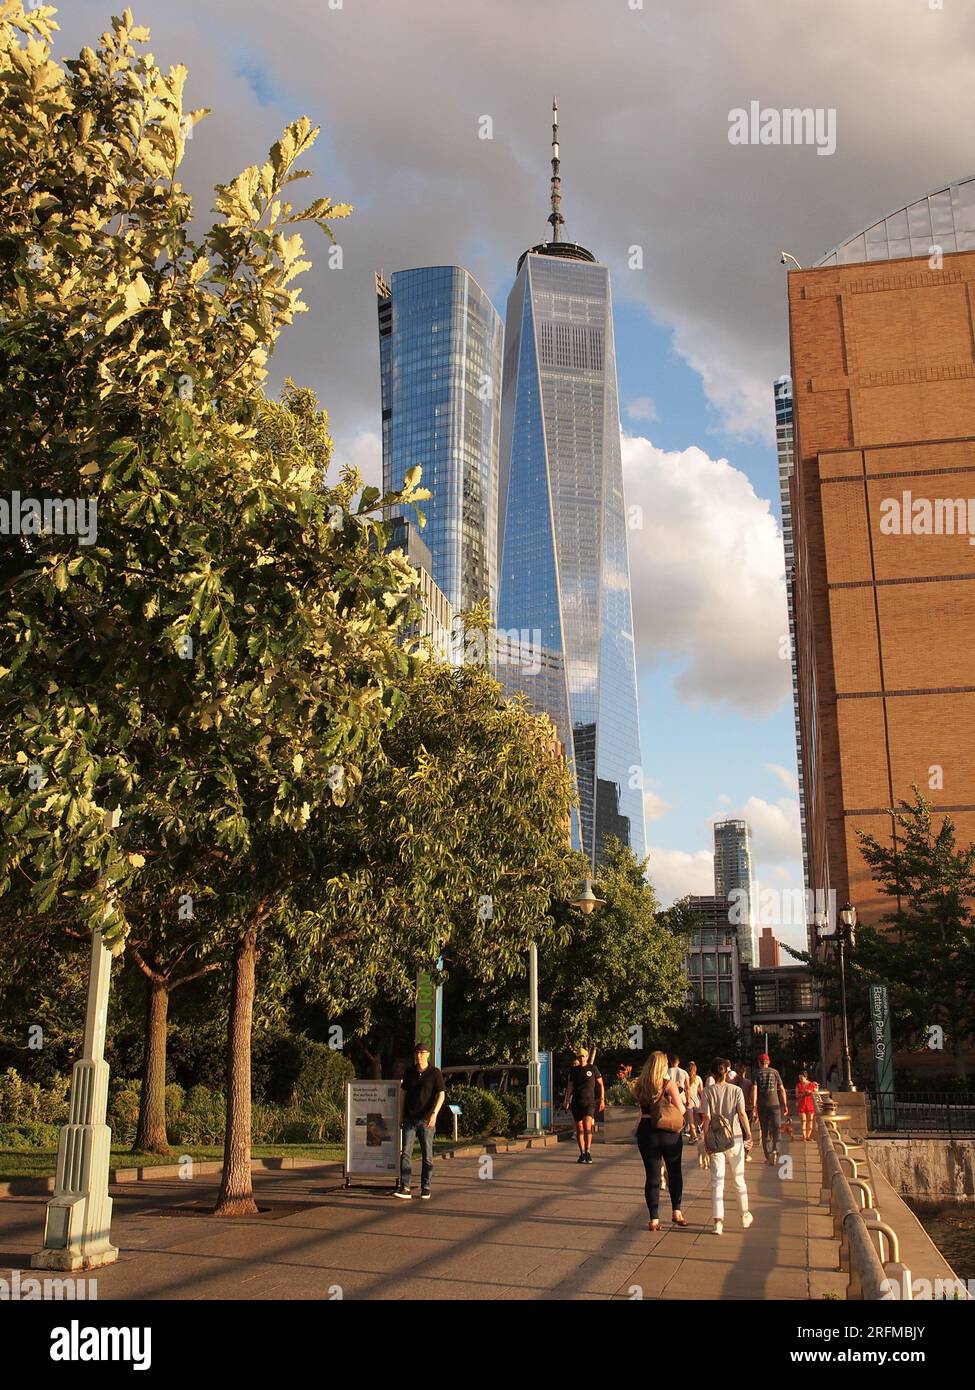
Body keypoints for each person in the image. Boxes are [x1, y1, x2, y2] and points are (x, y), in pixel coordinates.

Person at [634, 1050, 687, 1231]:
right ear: (663, 1066)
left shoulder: (640, 1084)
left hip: (646, 1131)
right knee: (674, 1172)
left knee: (652, 1175)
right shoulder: (668, 1084)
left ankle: (654, 1219)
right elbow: (682, 1109)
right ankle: (676, 1211)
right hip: (668, 1132)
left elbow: (641, 1108)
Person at [701, 1057, 754, 1235]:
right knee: (739, 1179)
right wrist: (749, 1134)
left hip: (716, 1140)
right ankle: (745, 1214)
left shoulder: (707, 1091)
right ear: (726, 1071)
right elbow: (741, 1114)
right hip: (735, 1138)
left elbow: (706, 1118)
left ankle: (718, 1222)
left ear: (712, 1073)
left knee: (717, 1181)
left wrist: (706, 1139)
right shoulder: (736, 1090)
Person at [394, 1042, 445, 1200]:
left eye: (422, 1053)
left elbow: (441, 1094)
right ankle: (406, 1187)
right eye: (417, 1053)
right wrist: (400, 1114)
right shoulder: (409, 1073)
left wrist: (434, 1113)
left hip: (426, 1120)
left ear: (428, 1054)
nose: (419, 1056)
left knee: (427, 1155)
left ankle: (426, 1186)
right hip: (410, 1118)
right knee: (406, 1154)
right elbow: (403, 1094)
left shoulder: (435, 1073)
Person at [563, 1046, 604, 1164]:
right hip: (577, 1102)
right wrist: (566, 1100)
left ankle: (588, 1151)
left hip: (589, 1102)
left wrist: (602, 1099)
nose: (581, 1058)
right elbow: (570, 1086)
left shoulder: (593, 1068)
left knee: (587, 1127)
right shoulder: (573, 1071)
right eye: (579, 1056)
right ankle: (582, 1153)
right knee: (579, 1128)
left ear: (586, 1056)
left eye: (583, 1056)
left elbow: (601, 1084)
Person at [751, 1052, 789, 1164]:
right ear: (769, 1062)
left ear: (759, 1063)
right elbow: (782, 1089)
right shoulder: (775, 1072)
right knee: (777, 1129)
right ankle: (775, 1151)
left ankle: (768, 1156)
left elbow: (754, 1090)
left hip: (762, 1106)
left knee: (765, 1130)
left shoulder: (756, 1073)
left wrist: (754, 1107)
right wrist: (785, 1105)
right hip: (775, 1105)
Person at [796, 1070, 818, 1141]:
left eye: (802, 1078)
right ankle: (804, 1136)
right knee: (803, 1120)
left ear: (805, 1077)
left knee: (810, 1120)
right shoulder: (798, 1085)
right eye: (799, 1078)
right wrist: (803, 1094)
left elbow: (816, 1092)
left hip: (810, 1104)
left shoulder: (811, 1084)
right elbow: (797, 1095)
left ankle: (808, 1136)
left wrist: (811, 1091)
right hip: (802, 1104)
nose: (800, 1080)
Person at [685, 1061, 704, 1141]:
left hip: (689, 1100)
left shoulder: (685, 1078)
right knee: (698, 1120)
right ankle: (693, 1136)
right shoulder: (698, 1078)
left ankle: (694, 1135)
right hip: (697, 1100)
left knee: (691, 1121)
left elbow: (686, 1090)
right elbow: (701, 1091)